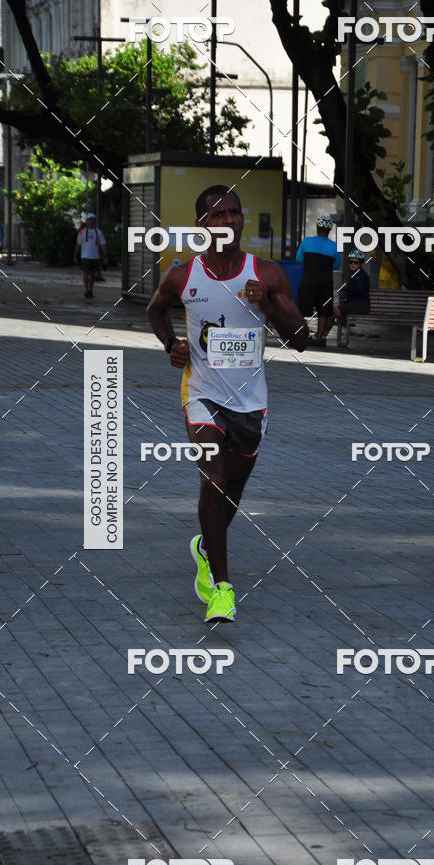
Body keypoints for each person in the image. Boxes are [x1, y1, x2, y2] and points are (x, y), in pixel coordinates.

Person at [147, 185, 309, 623]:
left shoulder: (267, 274)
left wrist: (269, 308)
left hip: (250, 402)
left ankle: (204, 546)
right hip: (200, 393)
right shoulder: (184, 276)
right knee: (213, 480)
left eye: (234, 213)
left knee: (231, 493)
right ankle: (222, 588)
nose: (229, 222)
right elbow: (155, 310)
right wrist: (172, 345)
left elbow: (302, 341)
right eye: (218, 215)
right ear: (202, 225)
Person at [295, 214, 340, 346]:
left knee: (301, 310)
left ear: (317, 228)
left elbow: (299, 259)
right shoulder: (334, 247)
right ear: (329, 230)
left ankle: (301, 335)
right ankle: (318, 338)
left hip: (308, 282)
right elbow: (336, 265)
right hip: (325, 284)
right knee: (324, 312)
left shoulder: (306, 242)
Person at [74, 213, 107, 301]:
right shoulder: (82, 231)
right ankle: (86, 289)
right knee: (85, 273)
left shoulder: (98, 232)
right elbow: (78, 244)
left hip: (95, 256)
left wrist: (105, 256)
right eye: (89, 220)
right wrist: (75, 256)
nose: (91, 222)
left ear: (95, 221)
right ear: (87, 221)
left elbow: (102, 244)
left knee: (92, 275)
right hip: (85, 256)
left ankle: (90, 290)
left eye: (93, 220)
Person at [334, 249, 371, 319]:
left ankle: (323, 330)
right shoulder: (355, 274)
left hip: (360, 305)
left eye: (356, 262)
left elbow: (359, 291)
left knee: (333, 312)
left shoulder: (361, 275)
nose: (352, 264)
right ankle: (324, 330)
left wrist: (347, 286)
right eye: (351, 262)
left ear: (361, 264)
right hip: (355, 304)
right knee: (331, 312)